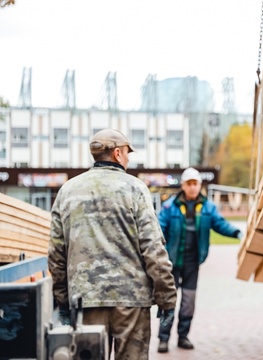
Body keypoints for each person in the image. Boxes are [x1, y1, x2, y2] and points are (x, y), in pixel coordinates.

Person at [48, 128, 178, 359]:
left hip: (85, 300)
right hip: (131, 303)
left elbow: (57, 253)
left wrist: (63, 301)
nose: (129, 158)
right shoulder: (135, 188)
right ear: (118, 153)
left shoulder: (67, 190)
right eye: (128, 152)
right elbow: (153, 248)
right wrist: (166, 298)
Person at [157, 167, 243, 353]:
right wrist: (159, 255)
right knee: (168, 300)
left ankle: (183, 336)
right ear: (183, 185)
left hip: (192, 263)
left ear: (200, 185)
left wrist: (237, 232)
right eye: (189, 184)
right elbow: (159, 231)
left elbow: (220, 224)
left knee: (188, 301)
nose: (192, 187)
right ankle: (163, 339)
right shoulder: (169, 206)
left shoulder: (208, 207)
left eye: (195, 183)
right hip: (171, 263)